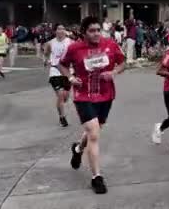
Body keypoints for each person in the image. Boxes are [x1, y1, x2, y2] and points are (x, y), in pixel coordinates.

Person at [58, 16, 125, 194]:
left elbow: (122, 62)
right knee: (94, 134)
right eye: (91, 31)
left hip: (106, 94)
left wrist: (114, 72)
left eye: (98, 30)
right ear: (84, 32)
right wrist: (71, 78)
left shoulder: (110, 44)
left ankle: (78, 148)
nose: (96, 34)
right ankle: (97, 177)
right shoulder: (74, 48)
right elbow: (62, 64)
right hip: (84, 95)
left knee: (95, 130)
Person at [44, 24, 74, 127]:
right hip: (54, 71)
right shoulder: (50, 43)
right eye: (59, 29)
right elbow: (46, 53)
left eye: (63, 29)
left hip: (67, 71)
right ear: (55, 31)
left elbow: (76, 53)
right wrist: (46, 60)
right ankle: (62, 117)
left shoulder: (70, 42)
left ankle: (61, 109)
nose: (61, 31)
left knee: (65, 97)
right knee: (60, 95)